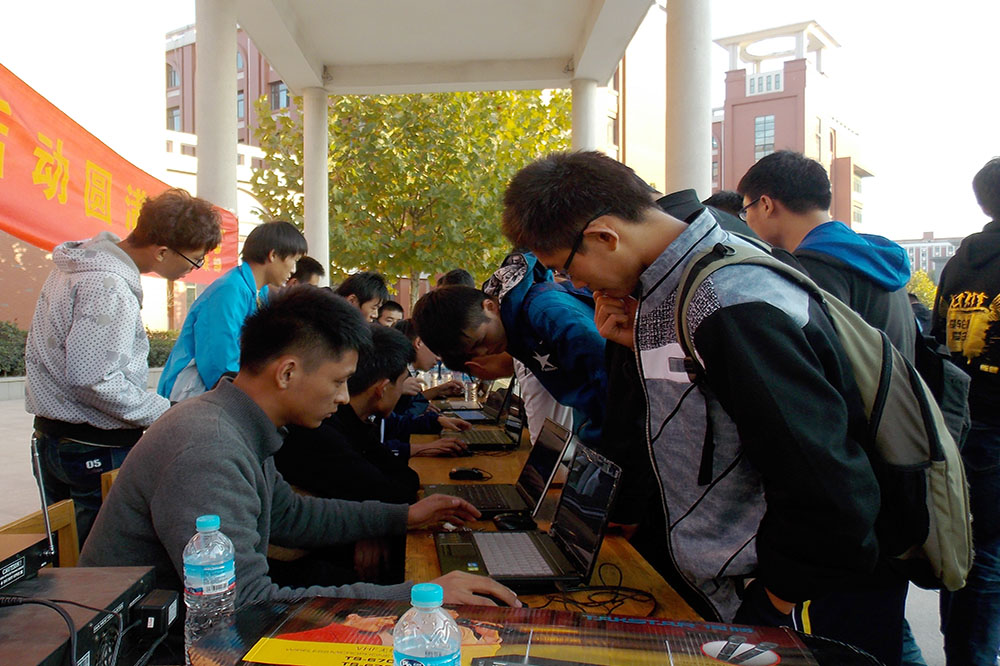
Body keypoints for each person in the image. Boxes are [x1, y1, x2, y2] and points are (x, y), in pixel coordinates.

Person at [500, 151, 902, 665]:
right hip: (716, 586)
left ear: (604, 236)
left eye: (566, 268)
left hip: (775, 598)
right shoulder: (664, 289)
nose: (575, 286)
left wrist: (773, 600)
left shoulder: (730, 300)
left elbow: (827, 482)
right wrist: (628, 350)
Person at [80, 286, 519, 610]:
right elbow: (244, 606)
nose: (344, 397)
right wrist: (417, 595)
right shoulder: (208, 447)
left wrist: (404, 517)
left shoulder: (235, 422)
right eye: (338, 381)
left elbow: (290, 515)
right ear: (287, 373)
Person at [25, 188, 222, 545]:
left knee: (65, 554)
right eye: (194, 260)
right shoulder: (109, 285)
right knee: (102, 559)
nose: (193, 269)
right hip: (93, 448)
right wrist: (168, 411)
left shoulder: (77, 266)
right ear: (162, 251)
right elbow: (94, 380)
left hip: (53, 439)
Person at [273, 324, 424, 587]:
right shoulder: (315, 430)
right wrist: (372, 526)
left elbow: (383, 486)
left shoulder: (349, 422)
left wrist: (371, 526)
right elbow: (392, 490)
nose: (342, 397)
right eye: (337, 382)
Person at [737, 150, 914, 361]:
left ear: (766, 205)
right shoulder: (878, 258)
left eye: (746, 211)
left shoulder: (812, 270)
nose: (746, 221)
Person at [412, 259, 608, 446]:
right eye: (473, 352)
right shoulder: (517, 334)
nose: (485, 351)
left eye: (481, 340)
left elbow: (611, 381)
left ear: (489, 307)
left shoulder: (547, 314)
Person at [932, 157, 1000, 666]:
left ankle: (965, 655)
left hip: (966, 423)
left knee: (970, 549)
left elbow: (936, 342)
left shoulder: (959, 263)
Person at [157, 221, 307, 401]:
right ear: (273, 255)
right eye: (294, 260)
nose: (294, 269)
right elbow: (219, 362)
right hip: (192, 392)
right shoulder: (230, 290)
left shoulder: (259, 292)